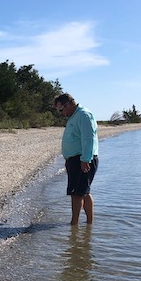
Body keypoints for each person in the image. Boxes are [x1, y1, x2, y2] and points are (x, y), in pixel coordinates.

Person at [54, 92, 99, 225]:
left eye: (61, 110)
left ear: (68, 104)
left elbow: (88, 138)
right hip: (76, 160)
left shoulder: (83, 115)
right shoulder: (73, 116)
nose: (61, 113)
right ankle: (88, 224)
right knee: (83, 192)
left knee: (77, 193)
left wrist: (85, 159)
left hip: (82, 160)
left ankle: (75, 225)